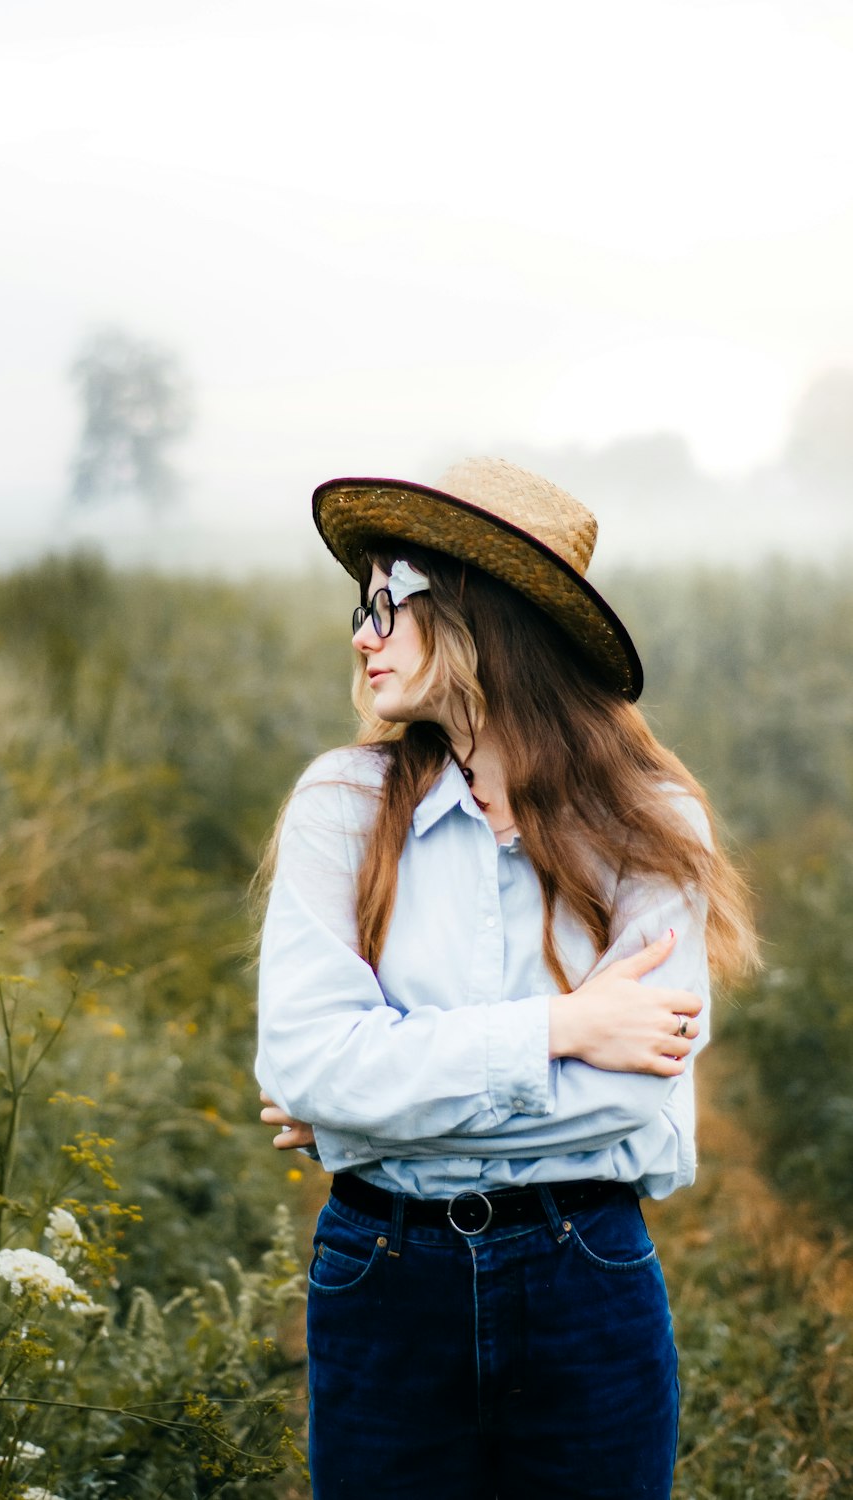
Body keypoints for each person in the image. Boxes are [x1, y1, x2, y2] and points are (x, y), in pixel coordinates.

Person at [255, 457, 758, 1500]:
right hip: (379, 1283)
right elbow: (306, 1062)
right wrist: (560, 1030)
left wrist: (366, 1116)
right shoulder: (340, 806)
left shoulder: (650, 823)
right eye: (363, 606)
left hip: (586, 1279)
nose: (361, 634)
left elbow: (630, 1088)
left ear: (483, 610)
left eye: (388, 601)